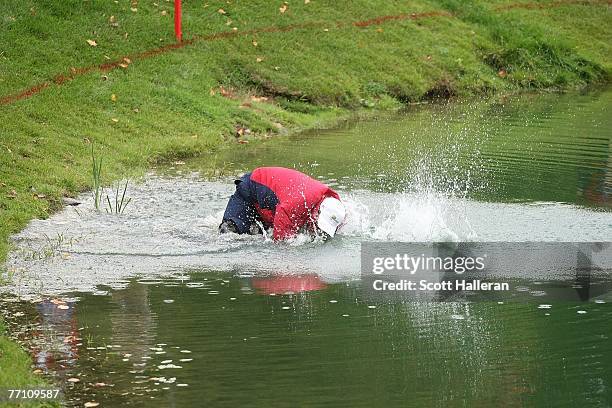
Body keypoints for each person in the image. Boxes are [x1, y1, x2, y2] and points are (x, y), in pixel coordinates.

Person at [219, 167, 346, 240]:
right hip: (251, 188)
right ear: (318, 212)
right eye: (319, 224)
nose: (317, 229)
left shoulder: (334, 203)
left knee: (262, 232)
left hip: (272, 201)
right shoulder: (293, 205)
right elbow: (280, 244)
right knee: (230, 233)